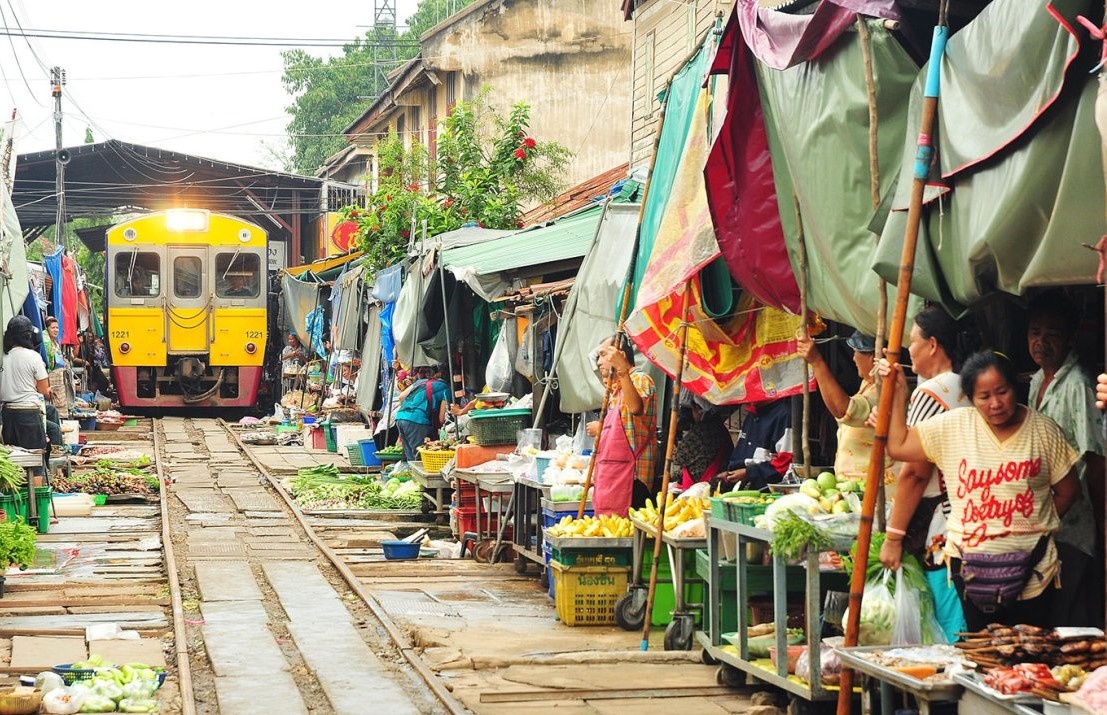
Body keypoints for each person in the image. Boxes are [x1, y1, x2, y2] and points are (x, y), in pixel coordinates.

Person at [882, 350, 1082, 630]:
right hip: (969, 569)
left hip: (1035, 571)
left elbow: (1069, 491)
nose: (996, 404)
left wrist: (1029, 524)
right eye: (984, 397)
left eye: (1002, 392)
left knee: (1028, 660)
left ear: (1015, 387)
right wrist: (898, 393)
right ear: (970, 399)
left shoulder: (1043, 431)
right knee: (983, 656)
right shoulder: (954, 426)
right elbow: (899, 446)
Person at [879, 305, 973, 642]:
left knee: (951, 627)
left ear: (933, 345)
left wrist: (893, 537)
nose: (909, 350)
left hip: (944, 524)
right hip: (971, 516)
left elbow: (915, 472)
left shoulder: (932, 392)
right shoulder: (965, 385)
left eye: (913, 341)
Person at [1025, 291, 1104, 627]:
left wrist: (1102, 525)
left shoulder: (1078, 385)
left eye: (1052, 333)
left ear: (1070, 337)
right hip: (1047, 528)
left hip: (1076, 528)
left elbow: (1096, 459)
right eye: (1034, 332)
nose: (1041, 341)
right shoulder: (1035, 381)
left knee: (1072, 624)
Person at [796, 329, 891, 483]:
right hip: (855, 486)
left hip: (877, 486)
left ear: (872, 357)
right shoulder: (868, 384)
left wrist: (817, 362)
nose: (853, 358)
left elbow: (845, 410)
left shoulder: (885, 390)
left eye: (856, 352)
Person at [585, 336, 657, 516]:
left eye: (603, 355)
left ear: (620, 355)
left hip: (633, 480)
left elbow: (635, 408)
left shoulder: (640, 379)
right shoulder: (614, 390)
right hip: (612, 477)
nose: (599, 362)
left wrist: (623, 370)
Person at [0, 316, 61, 450]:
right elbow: (44, 390)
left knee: (14, 457)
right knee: (34, 457)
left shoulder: (2, 357)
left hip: (7, 413)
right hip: (28, 413)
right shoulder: (33, 357)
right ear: (28, 336)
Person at [718, 398, 793, 490]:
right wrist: (730, 473)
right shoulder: (753, 412)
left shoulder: (784, 415)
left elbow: (783, 465)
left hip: (765, 490)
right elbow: (741, 454)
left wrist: (749, 473)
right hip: (741, 487)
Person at [672, 398, 733, 490]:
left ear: (697, 409)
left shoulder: (700, 430)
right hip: (720, 482)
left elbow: (679, 458)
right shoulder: (721, 428)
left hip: (701, 485)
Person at [394, 365, 451, 462]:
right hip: (417, 421)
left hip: (400, 417)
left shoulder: (420, 382)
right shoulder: (445, 388)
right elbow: (441, 418)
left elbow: (401, 397)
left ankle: (411, 474)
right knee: (418, 456)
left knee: (410, 457)